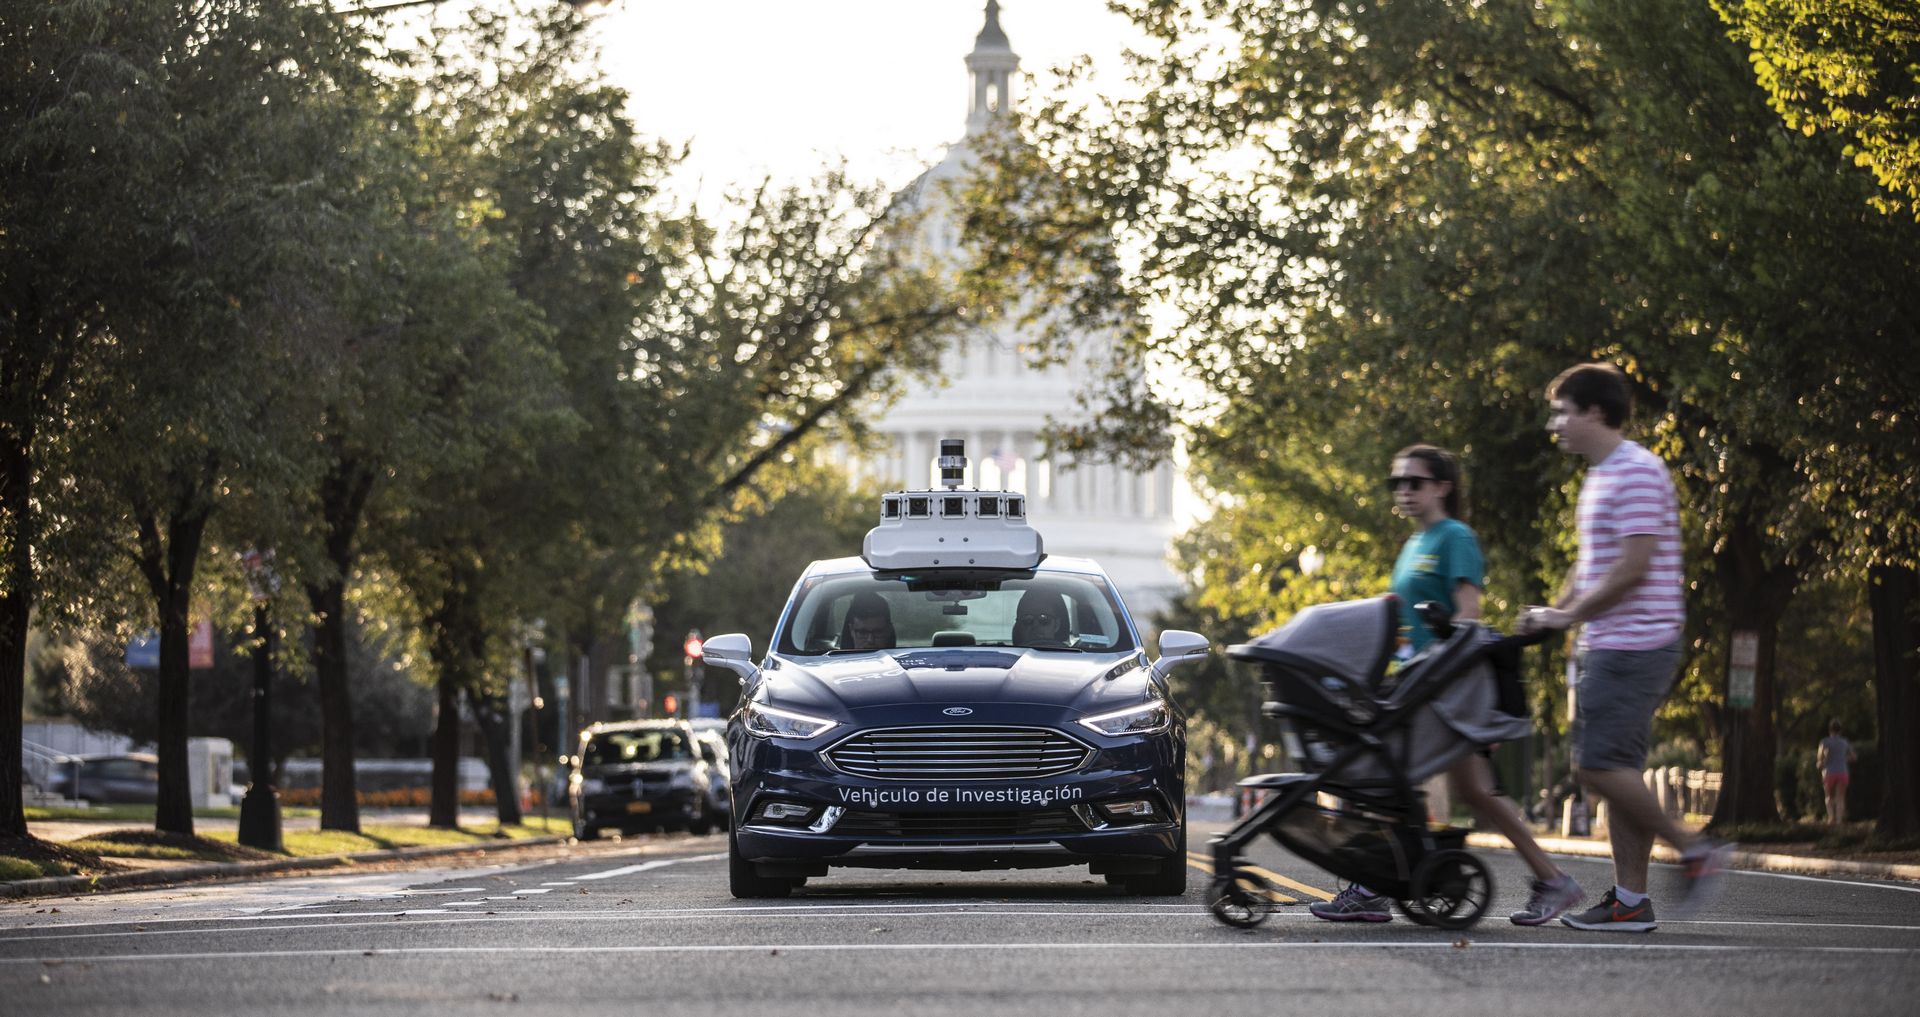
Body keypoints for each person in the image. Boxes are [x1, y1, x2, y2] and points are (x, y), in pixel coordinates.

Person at [1310, 444, 1585, 926]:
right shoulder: (1414, 543)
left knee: (1388, 773)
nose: (1404, 492)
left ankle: (1372, 889)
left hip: (1448, 687)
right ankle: (1553, 881)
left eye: (1414, 482)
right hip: (1420, 683)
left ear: (1442, 486)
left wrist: (1433, 660)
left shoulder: (1455, 537)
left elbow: (1468, 615)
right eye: (1397, 483)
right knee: (1478, 793)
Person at [1518, 362, 1728, 933]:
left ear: (1594, 412)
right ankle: (1631, 902)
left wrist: (1567, 617)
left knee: (1595, 765)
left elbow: (1634, 568)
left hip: (1636, 642)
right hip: (1612, 640)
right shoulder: (1601, 476)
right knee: (1620, 774)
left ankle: (1694, 851)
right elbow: (1591, 569)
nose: (1554, 424)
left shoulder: (1636, 471)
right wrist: (1552, 617)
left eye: (1563, 411)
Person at [1817, 721, 1857, 826]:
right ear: (1840, 730)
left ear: (1830, 730)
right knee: (1840, 797)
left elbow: (1820, 759)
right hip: (1842, 772)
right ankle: (1839, 821)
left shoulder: (1824, 742)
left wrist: (1824, 762)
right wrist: (1843, 758)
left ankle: (1831, 819)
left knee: (1829, 797)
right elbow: (1853, 757)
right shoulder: (1845, 742)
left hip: (1829, 772)